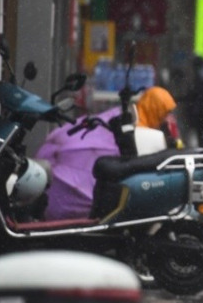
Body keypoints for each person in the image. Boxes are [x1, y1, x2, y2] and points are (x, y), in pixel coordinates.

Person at [36, 86, 178, 221]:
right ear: (155, 108)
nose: (167, 117)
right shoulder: (138, 130)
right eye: (166, 112)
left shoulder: (129, 118)